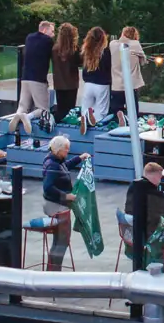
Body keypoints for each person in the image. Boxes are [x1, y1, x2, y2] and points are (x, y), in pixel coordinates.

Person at [41, 136, 84, 271]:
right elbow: (48, 187)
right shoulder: (53, 165)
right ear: (58, 149)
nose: (68, 151)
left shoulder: (56, 160)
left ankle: (53, 269)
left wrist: (79, 158)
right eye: (66, 149)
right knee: (62, 241)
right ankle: (54, 271)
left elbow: (66, 166)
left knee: (61, 240)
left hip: (57, 204)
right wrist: (66, 196)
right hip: (56, 206)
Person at [10, 20, 55, 145]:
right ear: (44, 30)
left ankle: (19, 114)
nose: (53, 35)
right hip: (38, 79)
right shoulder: (48, 41)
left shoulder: (29, 38)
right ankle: (27, 117)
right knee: (43, 109)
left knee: (23, 105)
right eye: (52, 31)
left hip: (25, 77)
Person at [123, 161, 164, 245]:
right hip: (149, 233)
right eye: (160, 177)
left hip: (130, 230)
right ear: (155, 176)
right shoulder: (153, 193)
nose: (160, 180)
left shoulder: (134, 186)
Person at [79, 26, 113, 134]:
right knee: (101, 111)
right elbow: (109, 67)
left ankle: (85, 118)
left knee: (86, 107)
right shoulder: (106, 51)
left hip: (88, 84)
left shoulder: (86, 50)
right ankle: (96, 124)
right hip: (102, 84)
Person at [109, 25, 146, 118]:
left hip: (116, 85)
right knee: (133, 112)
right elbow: (143, 61)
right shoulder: (135, 44)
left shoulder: (112, 44)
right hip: (131, 85)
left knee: (116, 113)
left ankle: (119, 121)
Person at [51, 23, 81, 123]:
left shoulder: (54, 49)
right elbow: (80, 62)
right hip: (72, 83)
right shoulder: (74, 49)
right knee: (70, 110)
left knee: (61, 108)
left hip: (59, 83)